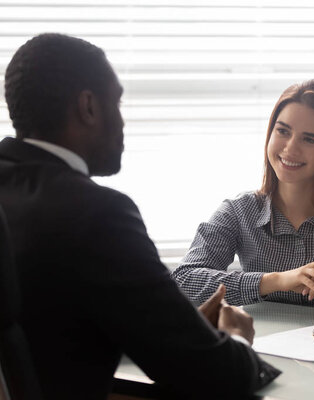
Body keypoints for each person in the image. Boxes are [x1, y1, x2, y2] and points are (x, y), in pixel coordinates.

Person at [0, 33, 279, 400]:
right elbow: (218, 376)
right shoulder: (97, 214)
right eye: (116, 102)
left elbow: (55, 321)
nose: (123, 122)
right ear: (88, 107)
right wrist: (237, 337)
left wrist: (184, 329)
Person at [172, 80, 314, 306]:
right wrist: (277, 280)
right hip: (259, 345)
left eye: (309, 139)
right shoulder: (239, 211)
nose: (290, 148)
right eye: (283, 131)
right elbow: (183, 281)